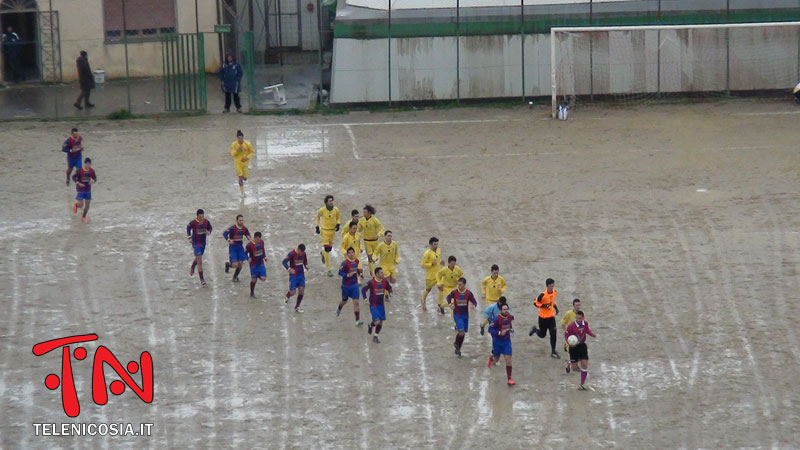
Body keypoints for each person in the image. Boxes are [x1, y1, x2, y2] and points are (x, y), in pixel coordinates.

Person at [529, 278, 560, 359]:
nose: (552, 288)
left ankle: (553, 351)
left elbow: (552, 302)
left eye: (553, 286)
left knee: (553, 334)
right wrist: (543, 306)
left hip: (551, 317)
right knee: (542, 335)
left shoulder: (554, 292)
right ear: (547, 286)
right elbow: (535, 303)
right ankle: (535, 330)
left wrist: (556, 308)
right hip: (543, 318)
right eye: (550, 286)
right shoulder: (542, 295)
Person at [565, 311, 596, 390]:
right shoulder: (571, 326)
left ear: (583, 317)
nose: (579, 320)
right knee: (574, 368)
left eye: (580, 318)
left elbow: (586, 330)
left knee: (584, 364)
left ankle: (582, 385)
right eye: (577, 318)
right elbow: (566, 335)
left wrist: (592, 334)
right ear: (575, 318)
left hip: (582, 346)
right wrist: (569, 342)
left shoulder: (585, 323)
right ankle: (570, 363)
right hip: (573, 348)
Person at [446, 277, 477, 356]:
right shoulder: (454, 292)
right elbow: (448, 297)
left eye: (460, 284)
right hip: (457, 314)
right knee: (461, 331)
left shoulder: (468, 293)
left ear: (464, 285)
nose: (459, 286)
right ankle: (456, 343)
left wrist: (474, 305)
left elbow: (474, 301)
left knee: (463, 333)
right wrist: (450, 304)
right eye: (458, 284)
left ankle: (458, 347)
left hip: (465, 315)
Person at [487, 302, 515, 386]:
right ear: (500, 310)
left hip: (506, 341)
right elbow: (489, 329)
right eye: (504, 309)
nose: (506, 311)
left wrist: (511, 329)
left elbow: (509, 325)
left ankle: (509, 379)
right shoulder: (496, 319)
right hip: (497, 342)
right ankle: (491, 359)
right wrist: (499, 332)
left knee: (508, 359)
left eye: (507, 309)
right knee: (496, 359)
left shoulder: (510, 317)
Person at [362, 267, 392, 344]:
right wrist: (365, 299)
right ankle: (371, 325)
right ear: (377, 274)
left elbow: (389, 288)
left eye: (383, 272)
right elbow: (363, 290)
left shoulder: (385, 282)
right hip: (373, 305)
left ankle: (375, 336)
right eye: (381, 273)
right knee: (377, 321)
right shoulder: (371, 282)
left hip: (381, 305)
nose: (383, 274)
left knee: (381, 322)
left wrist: (390, 292)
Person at [336, 247, 363, 325]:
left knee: (356, 302)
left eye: (352, 252)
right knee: (344, 301)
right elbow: (339, 272)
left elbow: (357, 269)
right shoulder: (344, 263)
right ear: (347, 254)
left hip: (354, 285)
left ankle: (357, 320)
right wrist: (347, 275)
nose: (351, 254)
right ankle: (339, 308)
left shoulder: (357, 261)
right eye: (350, 253)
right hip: (346, 286)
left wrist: (359, 273)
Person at [315, 195, 340, 276]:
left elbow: (338, 217)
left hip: (332, 232)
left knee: (329, 249)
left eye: (332, 200)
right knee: (327, 248)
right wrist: (317, 226)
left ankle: (322, 253)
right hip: (325, 231)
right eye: (329, 201)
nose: (331, 202)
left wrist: (338, 224)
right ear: (326, 202)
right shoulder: (322, 210)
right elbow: (318, 217)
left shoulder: (335, 209)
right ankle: (328, 269)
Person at [186, 209, 212, 286]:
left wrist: (209, 232)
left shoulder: (206, 222)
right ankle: (202, 279)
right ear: (197, 216)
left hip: (203, 244)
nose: (201, 218)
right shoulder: (193, 223)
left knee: (198, 258)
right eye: (200, 217)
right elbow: (188, 228)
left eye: (202, 217)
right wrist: (189, 237)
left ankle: (193, 266)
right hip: (196, 243)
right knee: (200, 260)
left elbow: (210, 228)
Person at [479, 264, 507, 334]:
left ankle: (483, 325)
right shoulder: (487, 279)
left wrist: (502, 290)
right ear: (491, 272)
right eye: (494, 273)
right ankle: (494, 329)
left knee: (497, 315)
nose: (496, 274)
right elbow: (483, 285)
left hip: (498, 300)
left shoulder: (501, 279)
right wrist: (483, 293)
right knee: (493, 315)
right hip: (490, 300)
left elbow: (505, 286)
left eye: (497, 273)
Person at [223, 214, 251, 282]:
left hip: (240, 248)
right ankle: (228, 265)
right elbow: (224, 233)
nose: (241, 222)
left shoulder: (244, 228)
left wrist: (248, 236)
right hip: (233, 248)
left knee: (240, 264)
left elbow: (247, 233)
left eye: (242, 220)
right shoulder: (233, 228)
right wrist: (229, 240)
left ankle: (235, 277)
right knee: (235, 264)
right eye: (240, 220)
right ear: (237, 221)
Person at [357, 205, 384, 276]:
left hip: (375, 242)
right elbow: (359, 229)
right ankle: (373, 274)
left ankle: (375, 270)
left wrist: (378, 235)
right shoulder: (361, 220)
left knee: (375, 258)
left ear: (369, 212)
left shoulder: (375, 220)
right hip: (366, 241)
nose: (364, 214)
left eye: (365, 212)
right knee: (370, 258)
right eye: (363, 212)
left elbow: (382, 229)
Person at [282, 244, 309, 313]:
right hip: (293, 276)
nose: (302, 254)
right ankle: (288, 295)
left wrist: (306, 265)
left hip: (301, 275)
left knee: (301, 291)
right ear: (298, 249)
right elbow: (284, 262)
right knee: (293, 292)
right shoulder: (291, 254)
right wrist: (289, 269)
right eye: (301, 252)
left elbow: (305, 261)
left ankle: (297, 307)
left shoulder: (303, 254)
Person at [419, 237, 443, 311]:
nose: (436, 246)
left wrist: (441, 262)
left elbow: (438, 259)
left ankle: (439, 305)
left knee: (441, 288)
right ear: (430, 245)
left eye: (437, 244)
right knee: (428, 289)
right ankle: (423, 300)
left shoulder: (439, 250)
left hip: (438, 273)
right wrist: (431, 264)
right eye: (434, 244)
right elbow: (422, 264)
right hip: (430, 275)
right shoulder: (427, 253)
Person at [71, 157, 96, 224]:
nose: (88, 166)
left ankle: (83, 217)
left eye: (90, 164)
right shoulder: (80, 170)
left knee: (87, 205)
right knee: (81, 205)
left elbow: (95, 178)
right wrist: (78, 183)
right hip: (80, 189)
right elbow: (73, 177)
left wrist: (93, 181)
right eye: (87, 164)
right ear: (84, 164)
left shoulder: (91, 171)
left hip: (88, 190)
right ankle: (76, 205)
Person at [230, 130, 254, 196]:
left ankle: (245, 176)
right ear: (237, 138)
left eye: (241, 138)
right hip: (237, 163)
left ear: (243, 138)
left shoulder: (247, 144)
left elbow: (252, 152)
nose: (240, 140)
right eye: (239, 139)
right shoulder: (234, 144)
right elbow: (232, 154)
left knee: (244, 178)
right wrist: (237, 150)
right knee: (240, 177)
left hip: (245, 164)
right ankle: (242, 192)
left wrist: (247, 157)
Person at [561, 298, 583, 371]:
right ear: (573, 305)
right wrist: (565, 331)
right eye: (577, 305)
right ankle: (572, 365)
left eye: (579, 305)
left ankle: (570, 364)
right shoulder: (568, 313)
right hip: (571, 337)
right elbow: (563, 322)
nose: (578, 307)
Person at [245, 232, 267, 298]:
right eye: (257, 239)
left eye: (259, 239)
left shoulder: (261, 242)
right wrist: (248, 258)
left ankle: (257, 275)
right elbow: (244, 253)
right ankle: (252, 293)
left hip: (260, 263)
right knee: (254, 280)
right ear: (254, 238)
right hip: (253, 264)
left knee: (263, 278)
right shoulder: (249, 245)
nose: (258, 241)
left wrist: (264, 256)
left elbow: (263, 249)